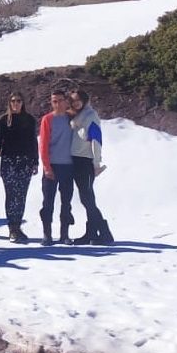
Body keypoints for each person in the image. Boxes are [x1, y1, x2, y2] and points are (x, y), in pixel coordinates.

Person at [67, 89, 114, 245]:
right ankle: (92, 233)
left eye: (78, 99)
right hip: (76, 161)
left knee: (88, 199)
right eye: (73, 100)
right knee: (86, 199)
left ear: (84, 100)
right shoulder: (77, 117)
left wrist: (96, 162)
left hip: (86, 162)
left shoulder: (90, 116)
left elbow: (96, 139)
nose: (75, 103)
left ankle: (105, 233)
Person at [0, 92, 39, 243]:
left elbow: (33, 142)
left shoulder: (29, 120)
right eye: (13, 101)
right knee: (11, 196)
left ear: (23, 102)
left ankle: (18, 226)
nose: (16, 103)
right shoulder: (3, 121)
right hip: (9, 162)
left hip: (25, 162)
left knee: (21, 196)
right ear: (9, 103)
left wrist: (35, 162)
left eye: (19, 101)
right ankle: (12, 228)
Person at [38, 89, 76, 246]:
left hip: (68, 166)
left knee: (66, 202)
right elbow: (43, 145)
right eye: (54, 101)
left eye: (60, 100)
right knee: (48, 202)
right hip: (52, 165)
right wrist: (47, 167)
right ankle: (47, 235)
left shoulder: (72, 118)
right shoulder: (47, 119)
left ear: (66, 101)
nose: (57, 104)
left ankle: (64, 234)